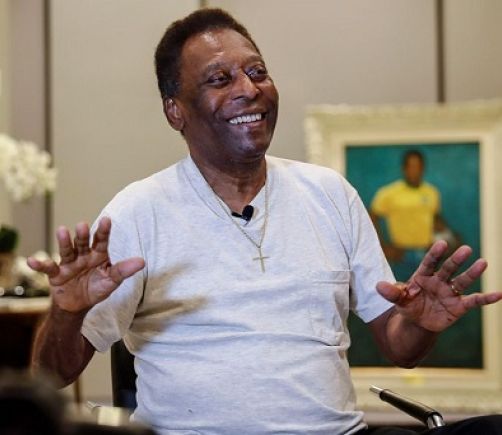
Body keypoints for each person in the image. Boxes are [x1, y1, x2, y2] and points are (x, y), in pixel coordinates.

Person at [29, 8, 502, 435]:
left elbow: (399, 347)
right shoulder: (138, 211)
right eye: (220, 79)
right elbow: (51, 376)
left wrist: (422, 324)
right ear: (176, 110)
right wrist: (67, 312)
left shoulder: (330, 194)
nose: (248, 89)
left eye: (257, 72)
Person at [370, 150, 460, 281]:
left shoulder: (431, 192)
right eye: (411, 167)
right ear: (404, 169)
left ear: (423, 169)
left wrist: (449, 238)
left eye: (418, 167)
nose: (414, 171)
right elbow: (372, 218)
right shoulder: (389, 193)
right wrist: (382, 247)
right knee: (399, 291)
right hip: (400, 256)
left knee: (426, 290)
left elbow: (436, 220)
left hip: (426, 255)